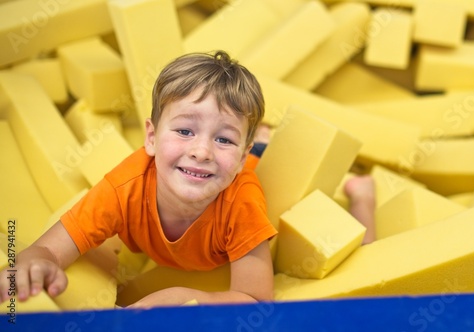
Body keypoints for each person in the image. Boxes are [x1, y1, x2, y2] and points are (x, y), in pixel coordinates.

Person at [0, 51, 278, 308]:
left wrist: (185, 297)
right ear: (152, 138)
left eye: (223, 139)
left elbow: (256, 298)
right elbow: (49, 247)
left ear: (240, 158)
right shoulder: (124, 188)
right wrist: (34, 262)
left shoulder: (241, 203)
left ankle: (261, 144)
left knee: (260, 159)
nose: (201, 152)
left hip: (243, 173)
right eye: (184, 131)